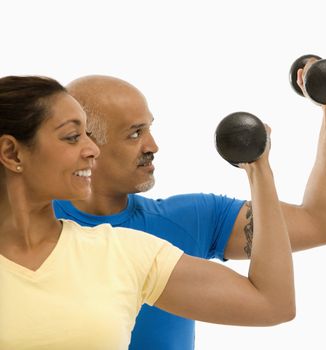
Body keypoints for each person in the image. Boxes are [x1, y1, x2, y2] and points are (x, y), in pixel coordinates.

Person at [54, 61, 326, 349]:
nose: (153, 146)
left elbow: (322, 224)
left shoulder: (189, 218)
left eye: (149, 129)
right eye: (135, 134)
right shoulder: (31, 225)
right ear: (83, 144)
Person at [0, 75, 295, 350]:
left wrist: (260, 171)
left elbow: (271, 303)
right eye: (72, 137)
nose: (93, 149)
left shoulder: (123, 253)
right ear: (12, 153)